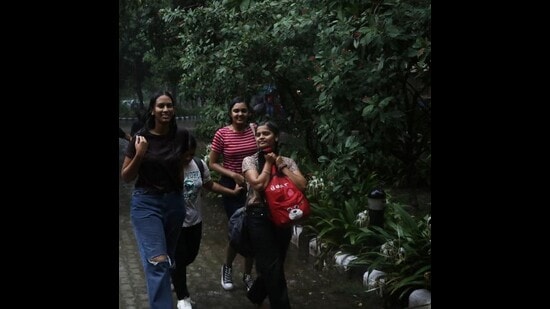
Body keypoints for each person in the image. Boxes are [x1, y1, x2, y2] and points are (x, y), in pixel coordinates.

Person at [120, 90, 190, 309]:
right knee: (157, 262)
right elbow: (126, 177)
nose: (165, 110)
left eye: (169, 105)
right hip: (146, 203)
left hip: (175, 204)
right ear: (153, 109)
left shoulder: (182, 136)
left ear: (174, 109)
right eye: (161, 106)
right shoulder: (140, 138)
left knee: (167, 260)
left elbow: (181, 167)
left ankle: (162, 289)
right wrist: (140, 154)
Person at [171, 134, 244, 309]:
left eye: (191, 154)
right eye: (184, 154)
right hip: (175, 223)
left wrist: (231, 192)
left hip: (195, 220)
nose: (188, 158)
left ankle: (172, 272)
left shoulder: (198, 164)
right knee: (180, 259)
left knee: (191, 255)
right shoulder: (169, 167)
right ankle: (183, 297)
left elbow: (209, 185)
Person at [242, 120, 307, 308]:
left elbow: (302, 185)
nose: (261, 137)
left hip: (283, 217)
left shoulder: (287, 161)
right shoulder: (250, 160)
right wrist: (268, 164)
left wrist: (282, 167)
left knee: (275, 262)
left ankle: (255, 294)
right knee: (272, 265)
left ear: (276, 137)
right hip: (258, 217)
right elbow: (259, 184)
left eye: (266, 133)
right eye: (258, 134)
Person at [208, 96, 258, 291]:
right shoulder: (222, 134)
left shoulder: (254, 130)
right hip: (232, 186)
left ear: (248, 113)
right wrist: (233, 175)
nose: (240, 114)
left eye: (243, 110)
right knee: (237, 230)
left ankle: (248, 275)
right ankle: (227, 267)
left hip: (254, 185)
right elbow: (212, 163)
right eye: (236, 111)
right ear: (230, 113)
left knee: (255, 231)